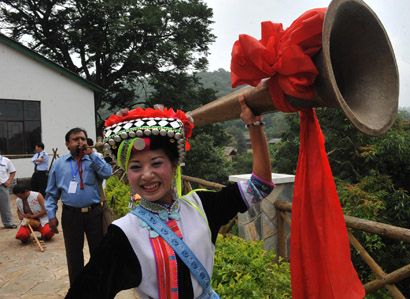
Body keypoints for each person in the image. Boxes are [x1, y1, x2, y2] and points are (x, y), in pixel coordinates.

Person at [66, 96, 275, 298]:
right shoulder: (123, 234)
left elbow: (260, 186)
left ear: (174, 165)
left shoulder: (202, 206)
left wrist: (254, 125)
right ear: (126, 173)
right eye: (136, 167)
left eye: (156, 163)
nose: (147, 174)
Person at [44, 127, 113, 285]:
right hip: (71, 215)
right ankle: (77, 289)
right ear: (68, 144)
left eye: (83, 139)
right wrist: (51, 216)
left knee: (98, 252)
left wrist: (93, 156)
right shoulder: (59, 164)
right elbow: (51, 193)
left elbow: (107, 173)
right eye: (76, 139)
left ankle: (99, 287)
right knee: (74, 254)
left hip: (94, 213)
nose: (80, 142)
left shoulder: (94, 160)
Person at [0, 151, 17, 229]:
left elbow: (13, 171)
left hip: (2, 186)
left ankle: (8, 223)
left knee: (5, 206)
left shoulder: (6, 161)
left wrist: (9, 181)